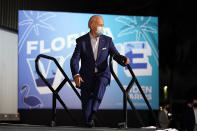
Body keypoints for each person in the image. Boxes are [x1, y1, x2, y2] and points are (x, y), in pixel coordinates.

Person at [70, 15, 130, 127]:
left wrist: (122, 59)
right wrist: (76, 75)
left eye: (103, 25)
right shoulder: (81, 41)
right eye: (100, 25)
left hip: (102, 74)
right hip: (86, 76)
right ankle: (89, 120)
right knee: (86, 106)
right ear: (91, 25)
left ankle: (93, 113)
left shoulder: (107, 40)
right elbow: (74, 59)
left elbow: (115, 54)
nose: (102, 28)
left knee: (100, 85)